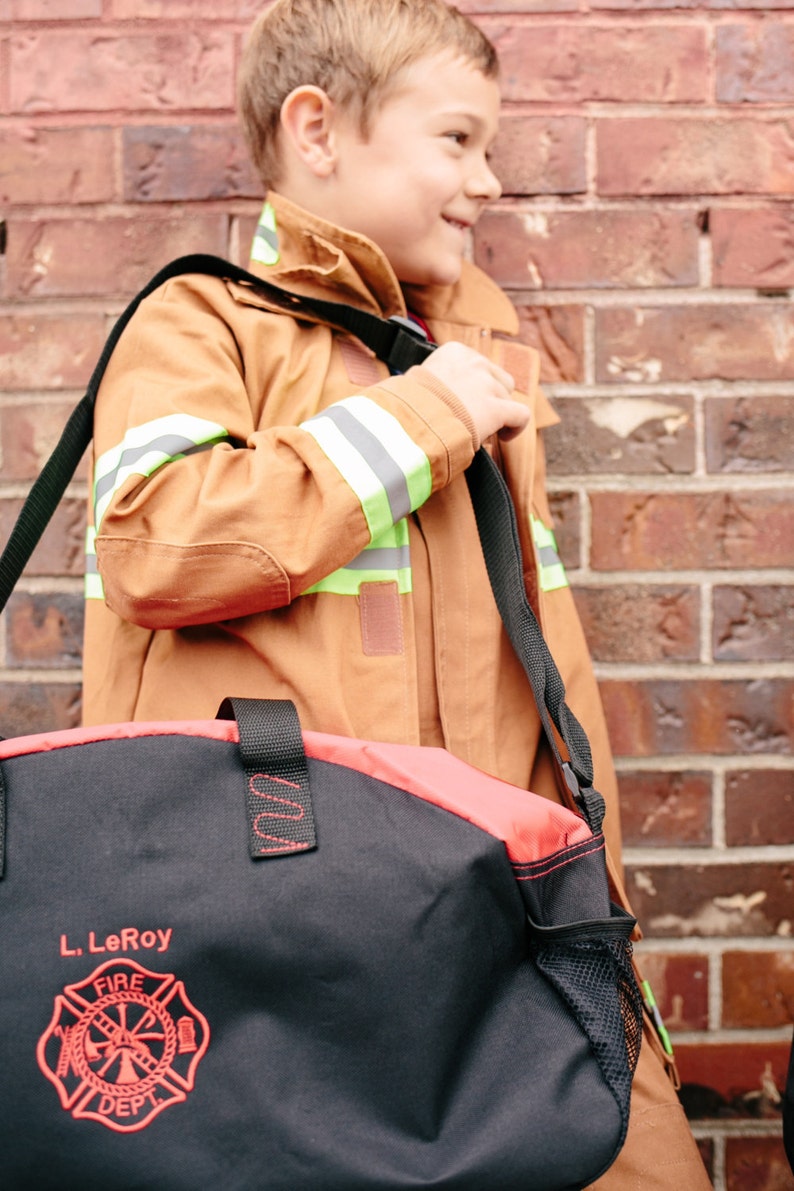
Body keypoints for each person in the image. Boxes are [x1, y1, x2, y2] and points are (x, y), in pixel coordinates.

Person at [82, 0, 711, 1185]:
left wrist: (588, 900)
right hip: (279, 948)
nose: (488, 179)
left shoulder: (470, 360)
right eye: (457, 140)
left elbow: (543, 681)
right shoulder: (202, 323)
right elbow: (158, 546)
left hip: (512, 922)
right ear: (316, 130)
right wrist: (431, 412)